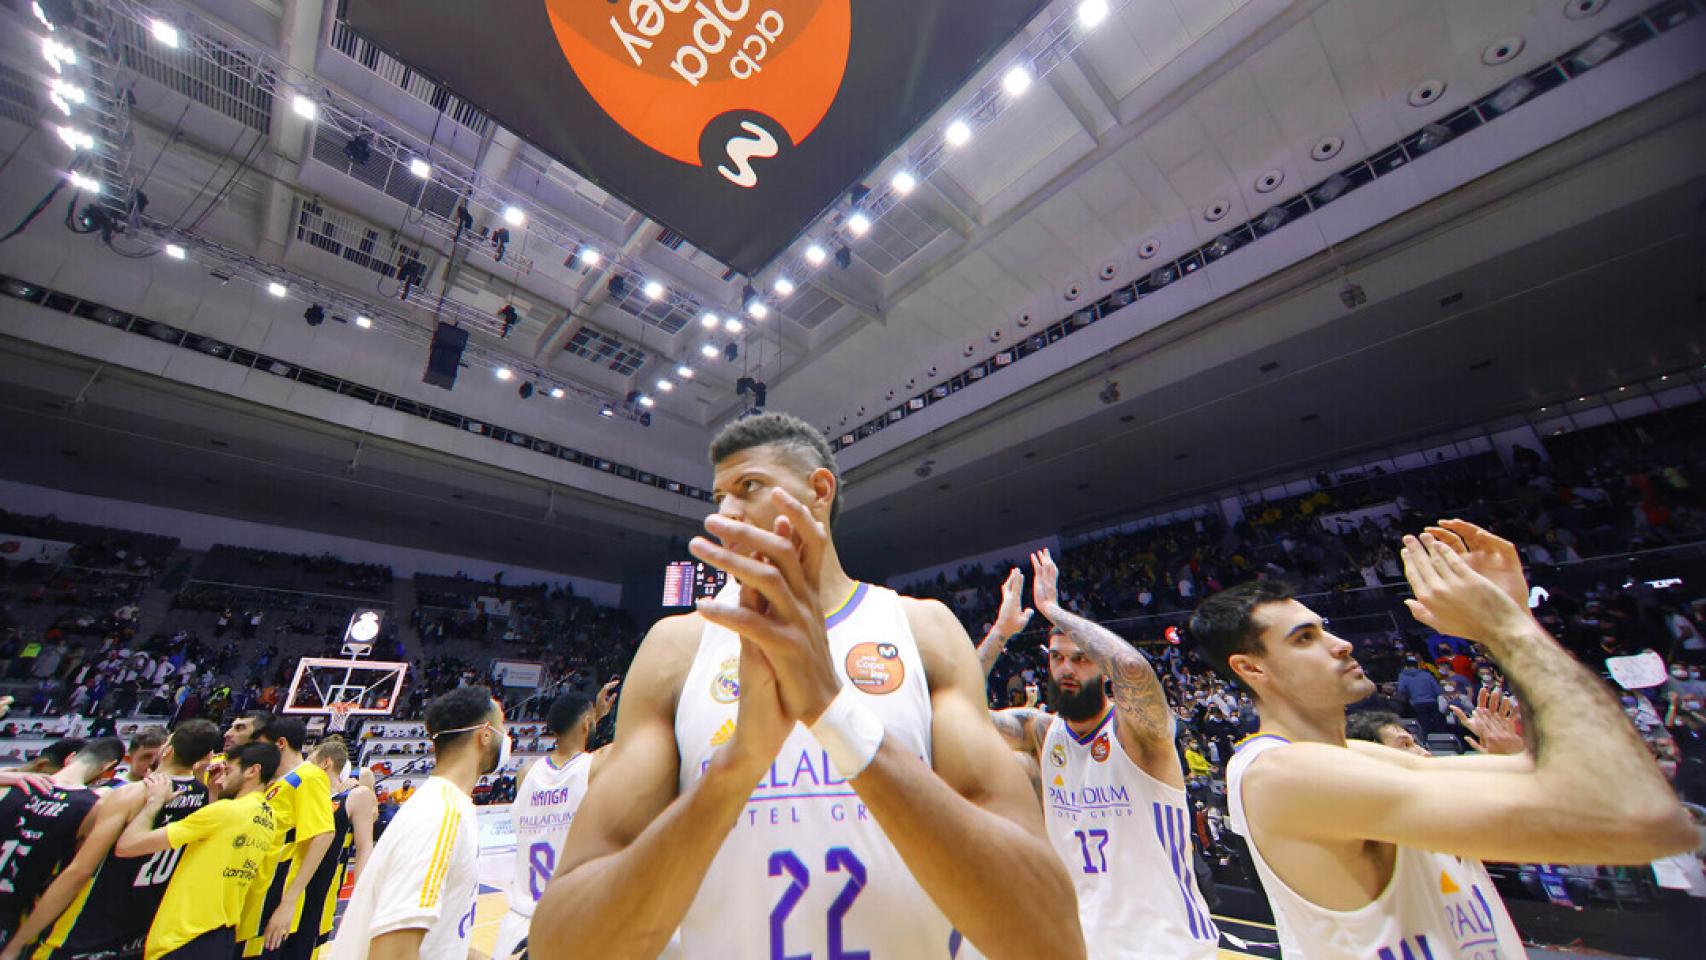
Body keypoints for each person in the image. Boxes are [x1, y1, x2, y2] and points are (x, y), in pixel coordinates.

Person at [536, 412, 1081, 960]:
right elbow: (564, 948)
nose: (724, 514)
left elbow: (1048, 939)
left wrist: (834, 714)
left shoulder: (922, 631)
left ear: (819, 491)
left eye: (748, 486)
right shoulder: (675, 649)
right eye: (719, 497)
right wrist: (737, 766)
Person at [1190, 520, 1696, 959]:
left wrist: (1513, 617)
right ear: (1252, 669)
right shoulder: (1282, 775)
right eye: (1305, 638)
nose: (1341, 644)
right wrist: (1507, 628)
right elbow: (1637, 815)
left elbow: (1596, 789)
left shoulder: (1362, 757)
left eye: (1324, 629)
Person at [987, 551, 1219, 958]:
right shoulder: (1040, 733)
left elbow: (1132, 667)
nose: (1066, 669)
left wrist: (1053, 610)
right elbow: (953, 713)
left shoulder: (1139, 732)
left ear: (1102, 667)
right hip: (1083, 942)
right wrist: (1001, 633)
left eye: (1081, 659)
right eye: (1057, 658)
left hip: (1166, 945)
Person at [3, 720, 219, 960]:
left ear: (167, 750)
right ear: (206, 756)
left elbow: (80, 870)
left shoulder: (131, 794)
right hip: (139, 930)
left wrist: (19, 942)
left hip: (86, 929)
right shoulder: (205, 798)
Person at [325, 687, 507, 960]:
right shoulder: (442, 815)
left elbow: (436, 942)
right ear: (485, 734)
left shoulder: (443, 805)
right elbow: (392, 953)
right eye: (502, 726)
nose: (507, 737)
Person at [115, 742, 280, 960]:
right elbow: (221, 843)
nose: (220, 779)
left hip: (185, 935)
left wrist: (154, 802)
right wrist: (213, 794)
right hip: (222, 935)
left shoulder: (225, 812)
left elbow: (128, 846)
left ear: (252, 771)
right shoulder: (269, 818)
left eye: (228, 771)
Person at [490, 682, 617, 960]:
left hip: (518, 922)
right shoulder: (596, 764)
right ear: (586, 724)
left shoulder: (526, 773)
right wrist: (596, 717)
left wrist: (589, 718)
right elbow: (640, 739)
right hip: (566, 921)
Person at [0, 738, 125, 948]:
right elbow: (76, 874)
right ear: (108, 768)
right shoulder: (95, 806)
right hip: (15, 914)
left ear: (71, 758)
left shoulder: (8, 786)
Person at [239, 718, 335, 960]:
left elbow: (323, 835)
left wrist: (288, 902)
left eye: (260, 744)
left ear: (280, 743)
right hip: (252, 893)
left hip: (272, 897)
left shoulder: (308, 776)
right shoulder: (274, 782)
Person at [285, 739, 375, 960]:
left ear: (325, 763)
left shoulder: (354, 795)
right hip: (288, 879)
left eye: (311, 760)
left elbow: (365, 847)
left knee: (305, 944)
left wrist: (360, 893)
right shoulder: (304, 791)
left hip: (322, 883)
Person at [102, 728, 167, 790]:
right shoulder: (112, 789)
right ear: (131, 755)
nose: (152, 762)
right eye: (147, 757)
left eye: (159, 757)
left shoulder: (168, 787)